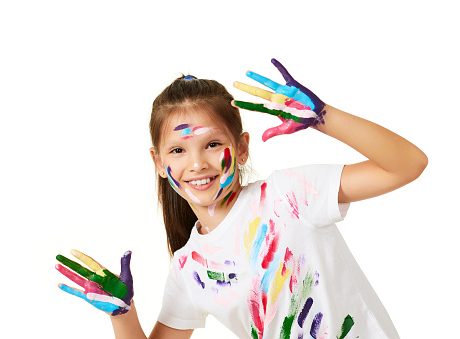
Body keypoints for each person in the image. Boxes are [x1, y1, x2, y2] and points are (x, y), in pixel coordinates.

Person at [55, 59, 427, 338]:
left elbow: (407, 165)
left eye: (213, 144)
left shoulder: (289, 195)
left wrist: (324, 117)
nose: (197, 163)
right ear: (158, 161)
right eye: (178, 151)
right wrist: (122, 314)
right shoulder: (189, 270)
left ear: (242, 147)